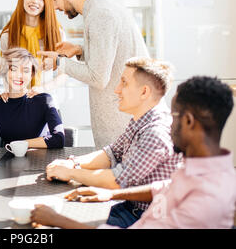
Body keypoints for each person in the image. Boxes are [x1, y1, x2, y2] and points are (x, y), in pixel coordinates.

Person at [31, 76, 236, 229]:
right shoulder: (202, 166)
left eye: (173, 116)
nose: (169, 124)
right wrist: (111, 193)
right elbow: (165, 187)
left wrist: (57, 221)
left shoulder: (208, 200)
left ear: (189, 121)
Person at [44, 57, 182, 228]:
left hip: (144, 218)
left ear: (144, 92)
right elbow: (111, 153)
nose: (117, 90)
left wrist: (70, 173)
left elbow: (117, 181)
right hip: (128, 207)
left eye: (124, 83)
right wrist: (72, 163)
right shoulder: (141, 120)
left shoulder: (156, 132)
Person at [38, 0, 150, 149]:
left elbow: (98, 77)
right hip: (123, 121)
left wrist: (59, 62)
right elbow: (112, 56)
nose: (55, 7)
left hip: (122, 125)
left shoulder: (100, 15)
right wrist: (80, 50)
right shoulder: (100, 7)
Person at [0, 48, 65, 161]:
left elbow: (59, 138)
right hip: (8, 166)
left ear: (32, 75)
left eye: (25, 71)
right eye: (13, 69)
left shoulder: (44, 100)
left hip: (40, 162)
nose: (19, 75)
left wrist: (22, 144)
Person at [0, 0, 65, 89]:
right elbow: (5, 73)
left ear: (46, 2)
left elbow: (64, 74)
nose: (35, 1)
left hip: (46, 98)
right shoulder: (8, 35)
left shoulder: (56, 33)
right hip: (18, 101)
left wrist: (41, 89)